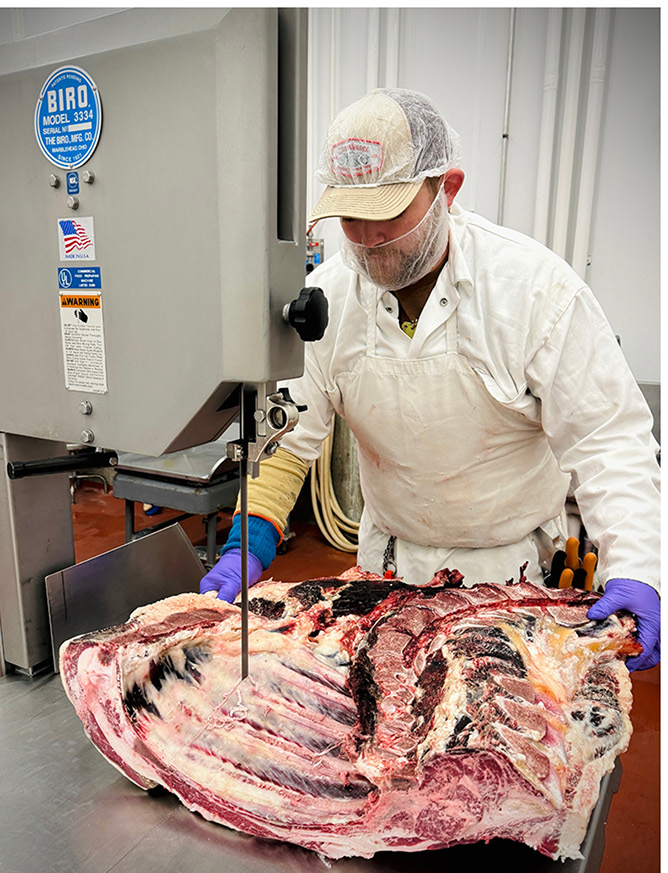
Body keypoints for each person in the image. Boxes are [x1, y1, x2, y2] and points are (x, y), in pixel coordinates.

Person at [198, 88, 660, 670]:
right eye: (350, 217)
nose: (365, 238)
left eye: (386, 214)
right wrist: (248, 542)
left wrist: (639, 568)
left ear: (447, 188)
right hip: (385, 574)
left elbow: (609, 442)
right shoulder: (330, 297)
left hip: (513, 579)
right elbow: (289, 441)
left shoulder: (535, 292)